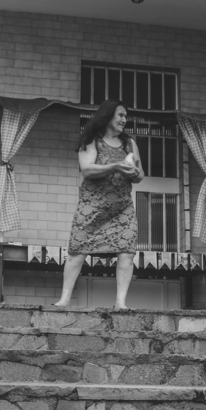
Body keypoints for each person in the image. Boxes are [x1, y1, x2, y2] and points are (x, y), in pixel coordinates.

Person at [55, 101, 145, 310]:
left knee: (127, 251)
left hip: (122, 208)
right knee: (77, 249)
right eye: (120, 115)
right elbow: (87, 169)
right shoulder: (91, 139)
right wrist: (116, 166)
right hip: (92, 207)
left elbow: (141, 174)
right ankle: (64, 300)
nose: (124, 120)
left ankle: (120, 303)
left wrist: (135, 173)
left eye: (125, 116)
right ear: (108, 115)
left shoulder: (130, 143)